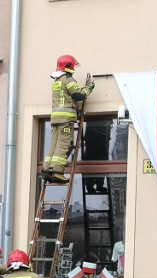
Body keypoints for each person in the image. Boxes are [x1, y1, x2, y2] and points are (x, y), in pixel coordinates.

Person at [41, 54, 95, 184]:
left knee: (53, 144)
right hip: (66, 119)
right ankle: (58, 172)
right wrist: (88, 89)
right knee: (63, 144)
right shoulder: (68, 79)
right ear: (69, 66)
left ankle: (47, 169)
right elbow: (78, 95)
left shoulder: (57, 80)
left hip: (55, 119)